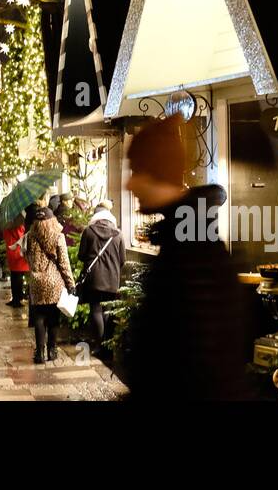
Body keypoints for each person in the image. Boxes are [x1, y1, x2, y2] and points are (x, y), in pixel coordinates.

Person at [123, 114, 247, 399]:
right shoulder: (186, 235)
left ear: (156, 173)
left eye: (136, 170)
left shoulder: (190, 247)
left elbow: (199, 362)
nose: (130, 185)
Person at [25, 205, 76, 363]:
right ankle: (52, 350)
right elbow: (64, 263)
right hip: (54, 282)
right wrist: (71, 284)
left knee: (39, 317)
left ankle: (39, 352)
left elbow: (28, 258)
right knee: (53, 317)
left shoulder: (31, 236)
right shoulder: (58, 237)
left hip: (36, 281)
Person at [77, 199, 126, 360]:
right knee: (107, 311)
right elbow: (122, 260)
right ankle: (107, 347)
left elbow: (81, 256)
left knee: (96, 310)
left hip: (94, 279)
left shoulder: (89, 231)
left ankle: (99, 346)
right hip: (112, 279)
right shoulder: (118, 234)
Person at [2, 214, 30, 307]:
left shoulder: (6, 224)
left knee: (14, 277)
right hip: (18, 252)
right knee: (18, 277)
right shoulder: (18, 225)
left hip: (11, 251)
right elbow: (21, 237)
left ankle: (15, 299)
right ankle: (18, 300)